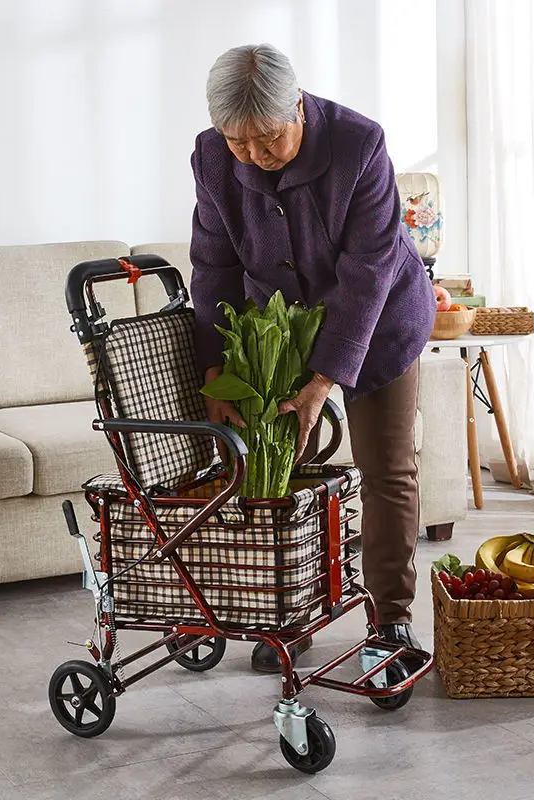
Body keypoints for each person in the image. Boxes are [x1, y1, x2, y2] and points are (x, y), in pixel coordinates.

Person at [190, 43, 436, 672]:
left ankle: (392, 622)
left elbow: (367, 270)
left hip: (377, 322)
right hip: (284, 329)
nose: (255, 156)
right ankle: (290, 612)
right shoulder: (213, 156)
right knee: (282, 469)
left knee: (385, 469)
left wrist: (325, 379)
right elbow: (213, 263)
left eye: (269, 139)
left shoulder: (358, 144)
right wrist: (216, 371)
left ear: (297, 107)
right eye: (239, 143)